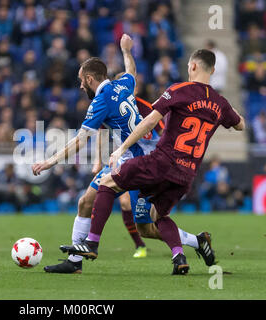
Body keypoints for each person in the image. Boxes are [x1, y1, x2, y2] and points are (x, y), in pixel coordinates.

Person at [62, 48, 245, 275]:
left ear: (193, 66)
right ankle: (184, 253)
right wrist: (227, 110)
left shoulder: (178, 91)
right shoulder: (220, 103)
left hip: (159, 163)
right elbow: (240, 125)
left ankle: (91, 244)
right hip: (187, 174)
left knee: (108, 185)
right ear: (214, 70)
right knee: (152, 222)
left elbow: (150, 123)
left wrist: (122, 148)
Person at [33, 35, 205, 274]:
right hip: (140, 155)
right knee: (86, 202)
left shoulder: (100, 101)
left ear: (90, 79)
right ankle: (75, 261)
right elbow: (131, 71)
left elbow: (81, 140)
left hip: (138, 161)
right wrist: (126, 51)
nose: (81, 86)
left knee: (144, 225)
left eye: (81, 82)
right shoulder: (123, 84)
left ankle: (92, 244)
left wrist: (49, 161)